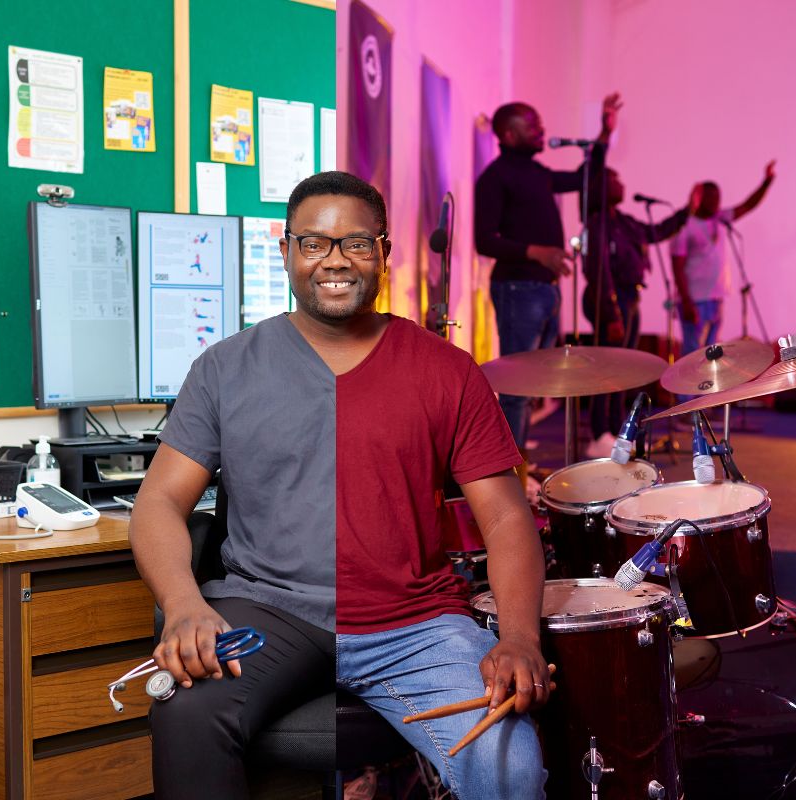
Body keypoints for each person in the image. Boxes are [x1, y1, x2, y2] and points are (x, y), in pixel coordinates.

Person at [130, 171, 550, 799]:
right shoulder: (225, 367)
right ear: (286, 252)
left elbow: (507, 518)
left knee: (509, 765)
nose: (334, 261)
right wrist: (186, 605)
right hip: (270, 609)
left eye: (356, 244)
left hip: (414, 622)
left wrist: (519, 636)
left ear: (384, 252)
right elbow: (160, 500)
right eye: (314, 244)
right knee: (186, 713)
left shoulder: (446, 370)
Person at [475, 93, 622, 451]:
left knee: (535, 384)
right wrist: (536, 252)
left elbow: (583, 179)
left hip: (545, 289)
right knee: (518, 386)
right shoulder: (495, 177)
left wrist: (603, 134)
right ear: (508, 134)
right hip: (517, 290)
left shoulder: (537, 173)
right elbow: (484, 241)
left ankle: (519, 463)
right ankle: (510, 470)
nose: (542, 130)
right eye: (532, 125)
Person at [582, 167, 690, 455]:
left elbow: (654, 233)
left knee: (621, 369)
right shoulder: (597, 223)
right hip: (611, 300)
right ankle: (598, 433)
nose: (622, 182)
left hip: (630, 297)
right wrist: (611, 310)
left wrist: (684, 212)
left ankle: (617, 429)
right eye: (615, 179)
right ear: (602, 187)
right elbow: (599, 269)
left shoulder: (624, 222)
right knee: (606, 370)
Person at [671, 161, 776, 355]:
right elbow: (677, 266)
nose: (716, 203)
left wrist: (766, 182)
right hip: (694, 300)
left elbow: (747, 205)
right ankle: (688, 386)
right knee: (693, 353)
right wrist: (686, 301)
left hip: (716, 297)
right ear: (699, 198)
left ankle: (709, 385)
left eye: (718, 198)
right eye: (711, 198)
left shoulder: (720, 218)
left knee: (712, 352)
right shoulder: (684, 225)